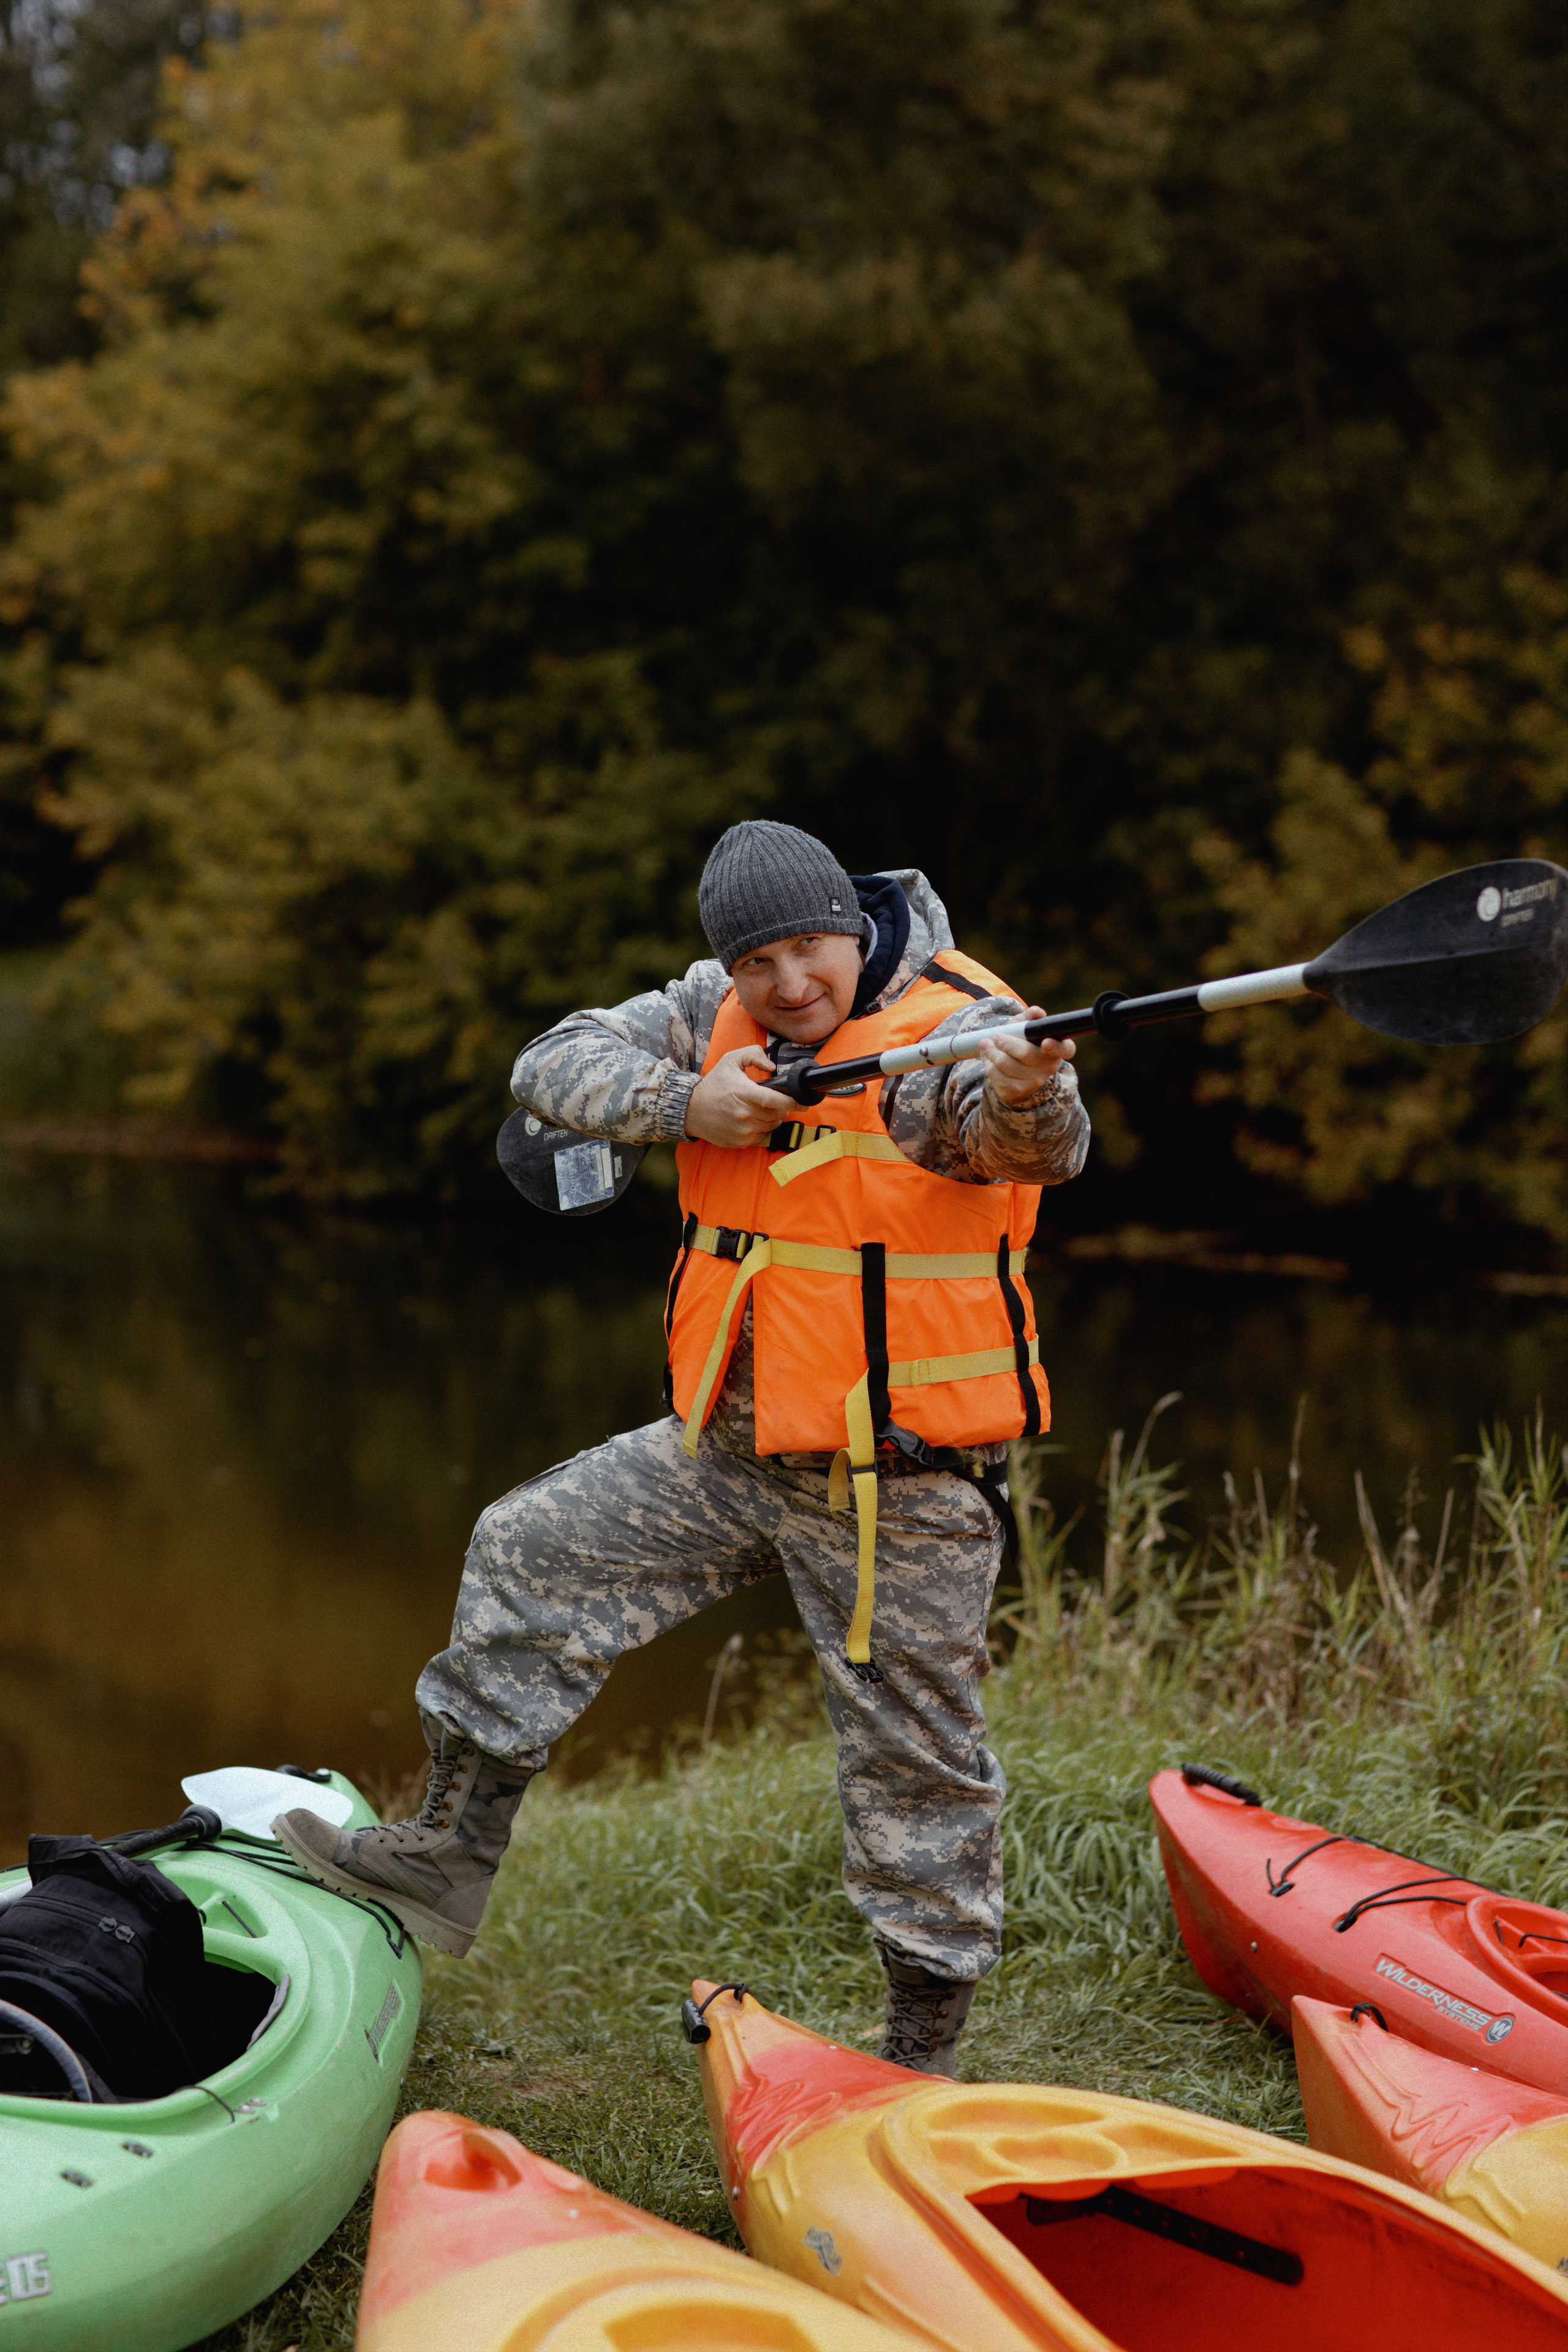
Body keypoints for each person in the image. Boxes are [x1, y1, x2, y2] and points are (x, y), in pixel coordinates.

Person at [274, 821, 1088, 2074]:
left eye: (806, 948)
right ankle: (446, 1854)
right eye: (756, 960)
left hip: (898, 1482)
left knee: (915, 1769)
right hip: (725, 1449)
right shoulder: (711, 1010)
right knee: (526, 1550)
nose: (788, 984)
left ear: (849, 923)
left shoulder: (954, 1023)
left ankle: (921, 2051)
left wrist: (1029, 1091)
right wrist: (683, 1101)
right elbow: (548, 1063)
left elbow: (1014, 1143)